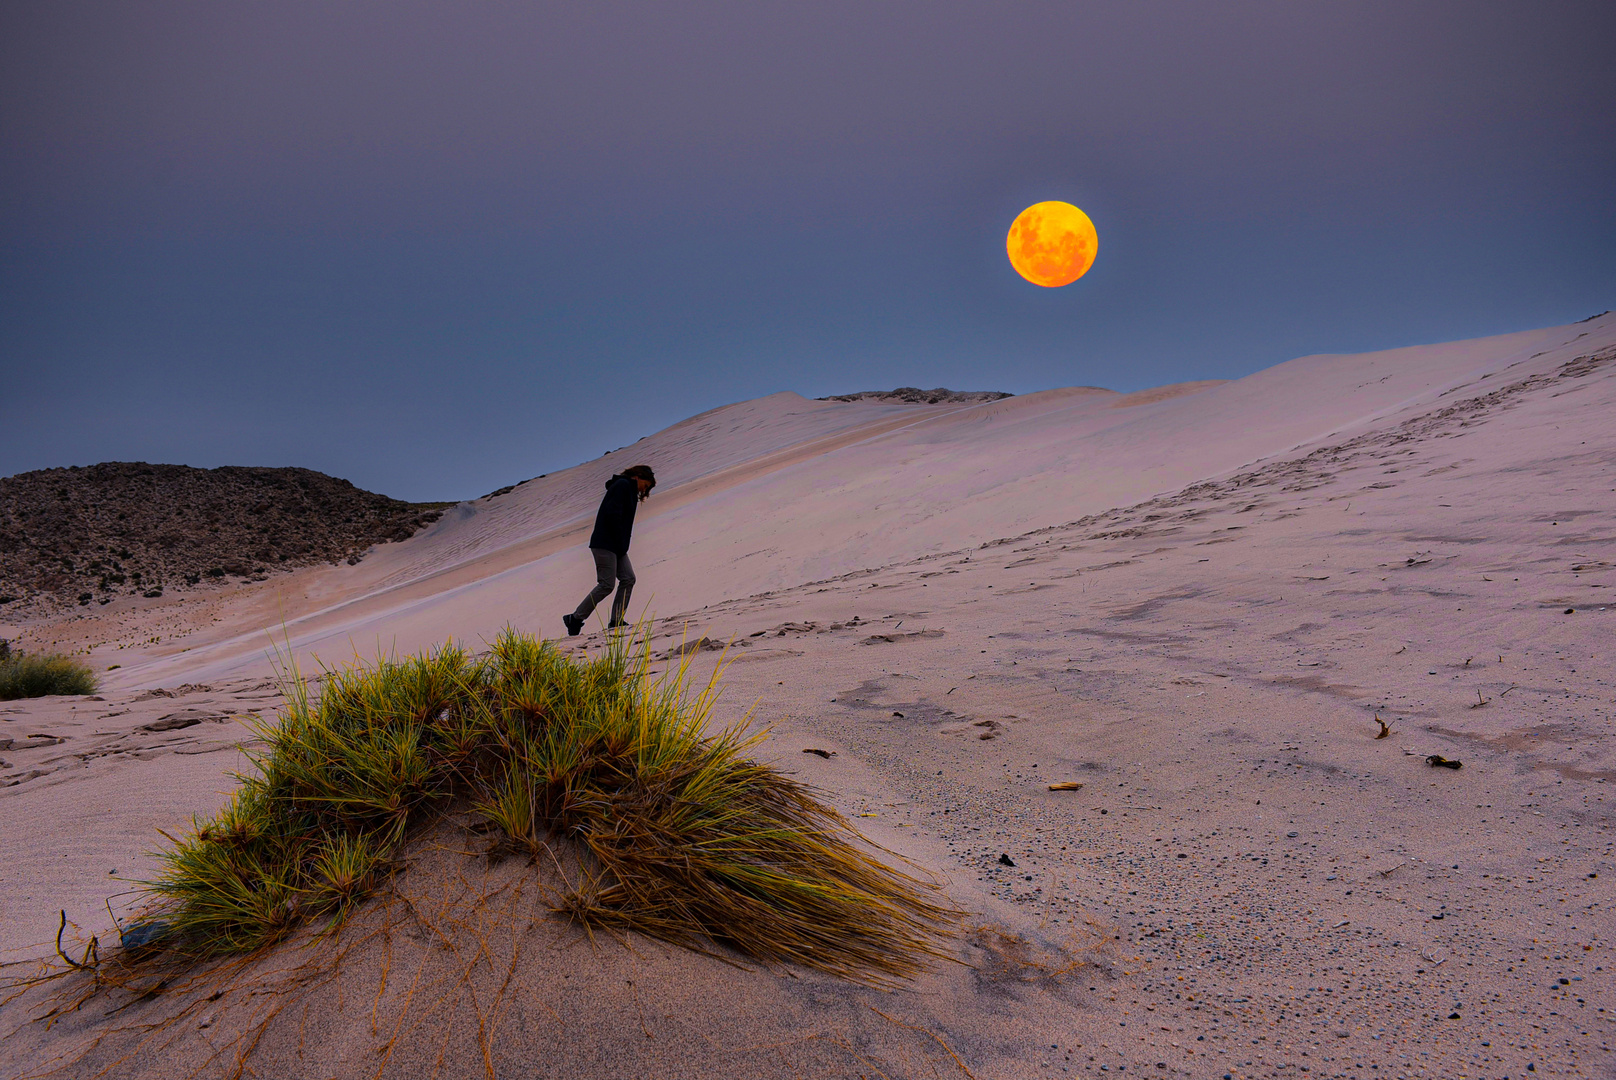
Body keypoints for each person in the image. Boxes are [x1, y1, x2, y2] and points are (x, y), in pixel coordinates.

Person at [563, 464, 655, 636]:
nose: (645, 489)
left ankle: (616, 621)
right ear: (639, 476)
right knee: (606, 584)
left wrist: (621, 544)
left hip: (617, 545)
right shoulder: (622, 486)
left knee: (628, 578)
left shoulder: (629, 490)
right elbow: (613, 515)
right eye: (646, 484)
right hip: (605, 543)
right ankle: (575, 618)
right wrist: (619, 540)